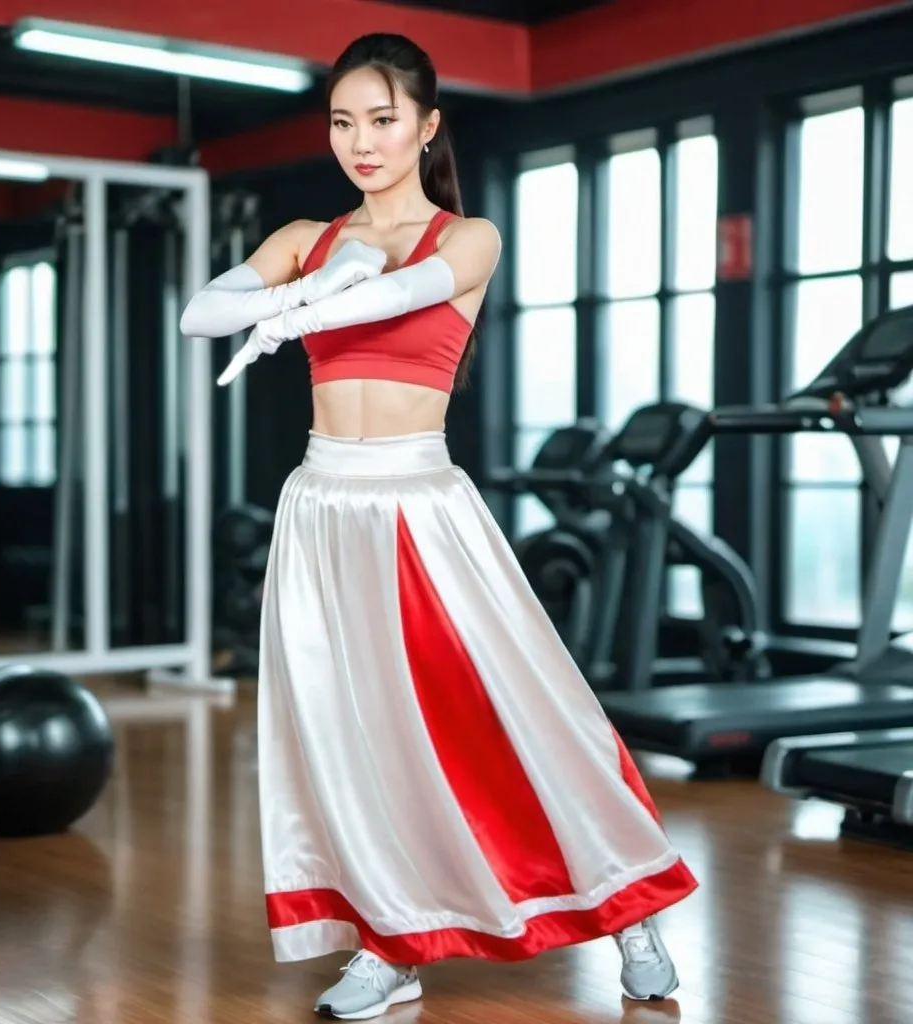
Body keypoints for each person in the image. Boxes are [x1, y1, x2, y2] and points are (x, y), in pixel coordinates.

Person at [180, 31, 698, 1021]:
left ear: (425, 127)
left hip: (422, 504)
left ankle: (629, 908)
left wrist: (306, 302)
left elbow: (399, 292)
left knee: (520, 712)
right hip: (322, 507)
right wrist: (296, 288)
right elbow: (200, 316)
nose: (361, 142)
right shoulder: (302, 233)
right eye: (343, 122)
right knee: (351, 733)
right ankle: (390, 943)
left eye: (382, 119)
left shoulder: (468, 238)